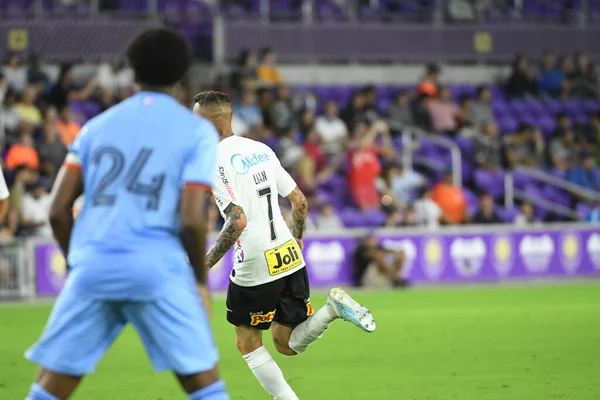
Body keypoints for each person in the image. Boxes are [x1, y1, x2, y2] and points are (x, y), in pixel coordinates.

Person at [24, 28, 229, 400]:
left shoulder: (95, 128)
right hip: (156, 269)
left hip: (94, 266)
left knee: (49, 388)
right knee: (205, 387)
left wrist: (79, 262)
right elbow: (191, 219)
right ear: (184, 77)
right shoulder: (196, 132)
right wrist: (199, 283)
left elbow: (58, 211)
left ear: (132, 73)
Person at [193, 91, 375, 400]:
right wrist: (298, 236)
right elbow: (299, 201)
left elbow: (237, 221)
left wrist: (204, 266)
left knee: (248, 342)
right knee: (286, 343)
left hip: (255, 259)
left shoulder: (212, 159)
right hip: (288, 252)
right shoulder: (261, 149)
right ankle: (332, 309)